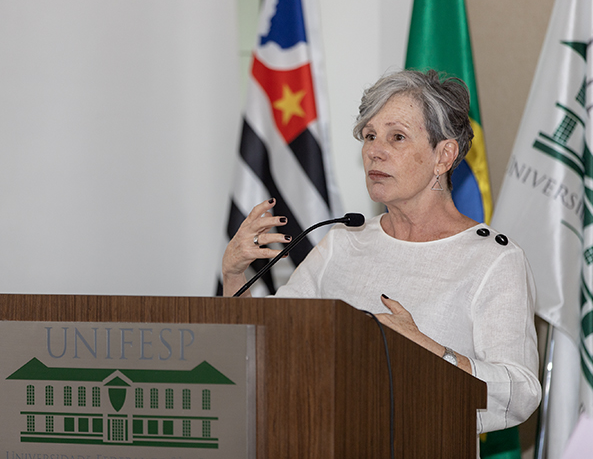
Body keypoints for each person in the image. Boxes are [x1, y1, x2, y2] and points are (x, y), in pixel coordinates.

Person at [221, 69, 541, 433]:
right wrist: (234, 276)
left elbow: (521, 393)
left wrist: (428, 351)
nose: (375, 151)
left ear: (444, 155)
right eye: (369, 136)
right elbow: (270, 344)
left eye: (397, 137)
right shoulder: (342, 243)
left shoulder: (494, 260)